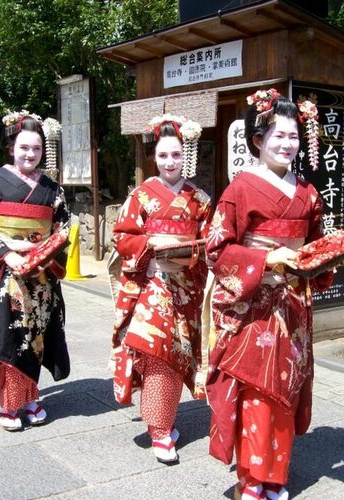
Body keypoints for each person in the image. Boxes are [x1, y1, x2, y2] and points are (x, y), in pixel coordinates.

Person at [205, 89, 332, 499]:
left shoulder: (308, 194)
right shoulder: (239, 189)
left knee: (286, 389)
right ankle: (252, 479)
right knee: (257, 391)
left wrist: (323, 259)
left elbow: (315, 244)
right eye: (278, 135)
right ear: (258, 139)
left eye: (294, 136)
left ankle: (276, 475)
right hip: (253, 304)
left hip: (293, 304)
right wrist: (266, 261)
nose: (286, 144)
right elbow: (217, 247)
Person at [109, 114, 212, 463]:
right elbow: (123, 234)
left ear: (187, 156)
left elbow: (212, 241)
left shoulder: (199, 198)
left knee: (176, 352)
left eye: (177, 155)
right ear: (154, 156)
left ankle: (164, 420)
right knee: (155, 349)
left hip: (185, 283)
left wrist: (192, 255)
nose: (170, 162)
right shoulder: (141, 195)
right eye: (164, 155)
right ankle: (160, 430)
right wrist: (148, 255)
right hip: (152, 282)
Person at [0, 111, 70, 431]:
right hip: (7, 273)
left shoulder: (52, 188)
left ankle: (31, 396)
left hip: (40, 277)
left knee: (37, 336)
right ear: (12, 147)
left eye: (36, 148)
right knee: (10, 336)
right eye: (24, 147)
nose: (30, 154)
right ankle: (10, 404)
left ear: (43, 150)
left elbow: (62, 228)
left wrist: (47, 252)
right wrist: (6, 252)